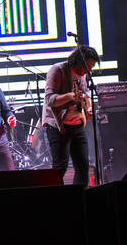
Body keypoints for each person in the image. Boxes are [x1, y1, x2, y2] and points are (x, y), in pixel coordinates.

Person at [42, 45, 98, 186]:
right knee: (60, 166)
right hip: (58, 125)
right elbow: (50, 99)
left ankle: (79, 200)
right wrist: (70, 96)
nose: (88, 70)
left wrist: (88, 108)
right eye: (87, 66)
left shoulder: (83, 75)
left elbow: (85, 93)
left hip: (77, 123)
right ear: (78, 61)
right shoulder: (58, 70)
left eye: (91, 67)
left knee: (83, 166)